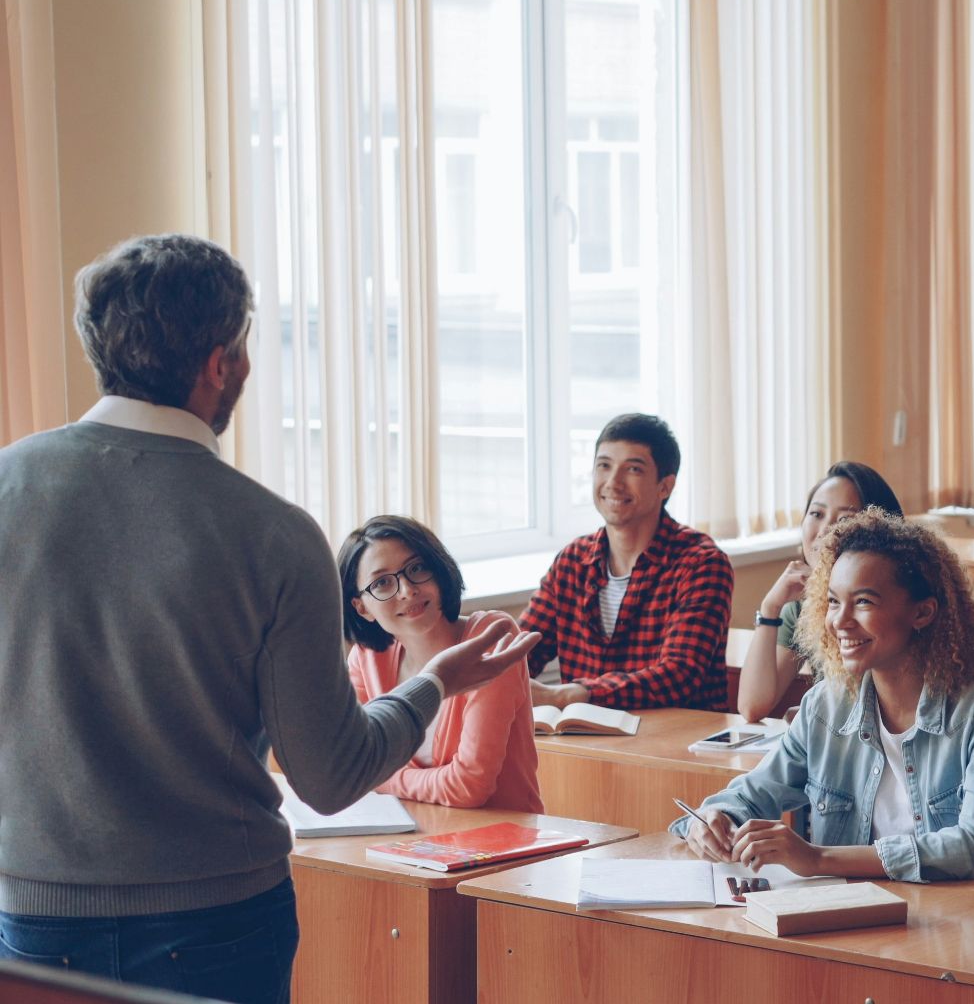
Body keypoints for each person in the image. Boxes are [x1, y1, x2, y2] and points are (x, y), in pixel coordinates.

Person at [0, 234, 536, 1004]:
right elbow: (330, 774)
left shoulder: (7, 486)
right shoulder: (271, 531)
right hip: (213, 917)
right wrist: (435, 683)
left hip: (28, 912)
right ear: (222, 362)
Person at [674, 510, 974, 887]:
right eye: (833, 601)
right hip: (863, 917)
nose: (840, 621)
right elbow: (750, 796)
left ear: (923, 612)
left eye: (863, 602)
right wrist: (711, 819)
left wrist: (816, 858)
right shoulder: (825, 707)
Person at [522, 413, 734, 711]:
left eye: (633, 469)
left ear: (665, 486)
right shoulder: (573, 560)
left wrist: (568, 695)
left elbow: (679, 676)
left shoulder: (701, 564)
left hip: (674, 744)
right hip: (585, 742)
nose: (613, 482)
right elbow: (523, 649)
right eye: (604, 466)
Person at [340, 516, 544, 813]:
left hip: (504, 842)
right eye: (382, 583)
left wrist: (379, 779)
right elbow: (350, 766)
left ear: (438, 570)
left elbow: (469, 787)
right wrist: (367, 774)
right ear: (361, 607)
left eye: (417, 568)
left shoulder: (490, 637)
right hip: (412, 840)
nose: (407, 590)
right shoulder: (367, 658)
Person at [737, 461, 905, 723]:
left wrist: (821, 713)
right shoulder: (801, 608)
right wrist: (771, 608)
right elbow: (752, 706)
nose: (825, 529)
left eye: (845, 519)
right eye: (816, 514)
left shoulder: (894, 600)